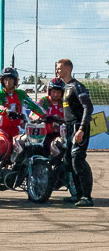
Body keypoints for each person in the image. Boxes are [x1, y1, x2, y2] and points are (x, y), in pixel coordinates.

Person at [0, 67, 44, 182]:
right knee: (4, 146)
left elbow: (33, 105)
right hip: (0, 129)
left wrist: (45, 115)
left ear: (15, 81)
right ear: (1, 81)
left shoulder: (20, 94)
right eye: (5, 79)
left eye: (10, 79)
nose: (8, 82)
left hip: (15, 130)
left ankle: (18, 172)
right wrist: (5, 110)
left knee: (23, 146)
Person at [55, 58, 94, 207]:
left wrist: (81, 129)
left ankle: (87, 197)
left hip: (78, 128)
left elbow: (88, 108)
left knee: (78, 160)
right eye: (57, 68)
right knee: (70, 162)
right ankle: (77, 195)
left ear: (68, 69)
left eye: (59, 68)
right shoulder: (66, 88)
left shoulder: (77, 87)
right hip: (70, 128)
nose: (57, 70)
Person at [34, 77, 66, 155]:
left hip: (60, 134)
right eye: (54, 91)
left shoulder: (64, 103)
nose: (56, 94)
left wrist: (62, 119)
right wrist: (42, 117)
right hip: (44, 134)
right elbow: (33, 112)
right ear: (49, 91)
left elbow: (70, 113)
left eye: (58, 92)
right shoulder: (43, 101)